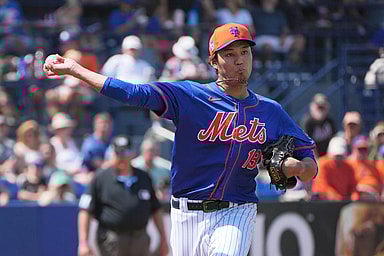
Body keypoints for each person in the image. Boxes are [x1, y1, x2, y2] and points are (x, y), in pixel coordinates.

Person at [44, 23, 318, 255]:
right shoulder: (190, 96)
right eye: (230, 53)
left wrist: (299, 167)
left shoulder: (271, 111)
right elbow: (133, 92)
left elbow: (310, 162)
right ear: (213, 61)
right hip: (186, 212)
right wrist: (76, 70)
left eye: (244, 52)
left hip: (238, 208)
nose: (239, 60)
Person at [77, 135, 168, 256]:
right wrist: (83, 242)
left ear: (133, 154)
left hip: (140, 239)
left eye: (126, 152)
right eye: (118, 153)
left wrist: (163, 239)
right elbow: (85, 210)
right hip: (112, 240)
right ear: (112, 154)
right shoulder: (101, 178)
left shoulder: (143, 177)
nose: (122, 157)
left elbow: (156, 209)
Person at [311, 136, 357, 200]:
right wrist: (338, 198)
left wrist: (354, 197)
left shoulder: (349, 167)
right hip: (323, 202)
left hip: (342, 201)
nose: (338, 158)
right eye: (336, 156)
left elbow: (353, 187)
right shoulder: (322, 164)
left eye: (340, 156)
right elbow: (322, 186)